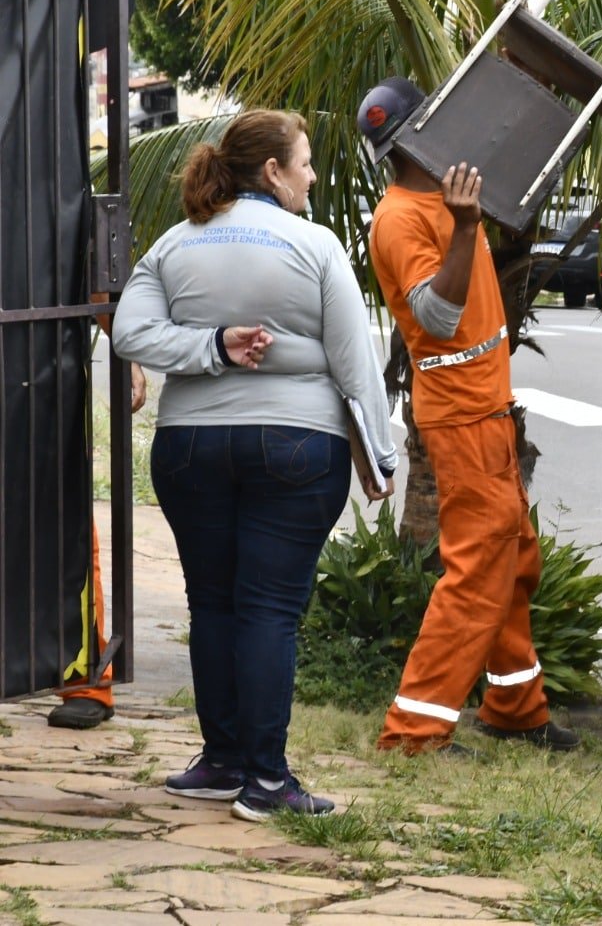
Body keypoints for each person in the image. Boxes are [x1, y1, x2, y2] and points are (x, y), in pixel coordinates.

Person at [112, 109, 396, 821]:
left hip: (191, 447)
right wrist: (378, 456)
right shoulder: (316, 245)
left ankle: (221, 761)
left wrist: (211, 347)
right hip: (298, 446)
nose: (313, 176)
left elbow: (130, 332)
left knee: (211, 603)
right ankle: (268, 781)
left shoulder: (175, 246)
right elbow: (354, 361)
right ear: (272, 171)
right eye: (305, 163)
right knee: (269, 609)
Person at [356, 76, 579, 756]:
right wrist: (464, 228)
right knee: (477, 573)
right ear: (419, 134)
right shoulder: (402, 218)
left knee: (511, 561)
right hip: (461, 418)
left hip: (484, 408)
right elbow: (437, 316)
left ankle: (515, 707)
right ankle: (415, 730)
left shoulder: (441, 197)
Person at [47, 345, 145, 731]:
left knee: (60, 524)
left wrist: (131, 358)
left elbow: (100, 289)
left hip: (40, 363)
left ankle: (85, 680)